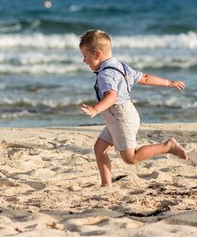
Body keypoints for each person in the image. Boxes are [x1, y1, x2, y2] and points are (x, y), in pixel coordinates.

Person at [79, 29, 188, 187]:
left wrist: (95, 109)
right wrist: (168, 83)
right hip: (119, 116)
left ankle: (168, 146)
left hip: (121, 117)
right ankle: (106, 184)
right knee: (99, 148)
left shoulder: (105, 75)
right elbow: (144, 78)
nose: (84, 60)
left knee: (131, 158)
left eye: (85, 56)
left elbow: (112, 96)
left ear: (97, 54)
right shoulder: (121, 66)